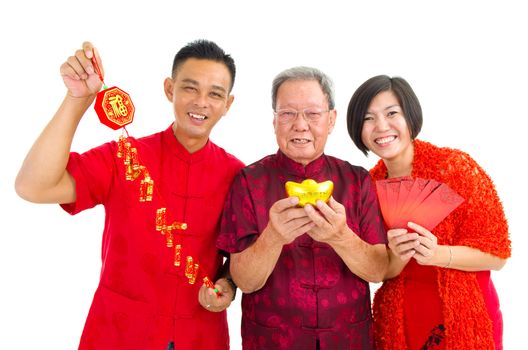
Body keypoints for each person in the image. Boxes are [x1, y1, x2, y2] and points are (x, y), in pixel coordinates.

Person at [15, 40, 244, 350]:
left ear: (228, 104)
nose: (201, 102)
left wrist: (227, 284)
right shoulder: (125, 156)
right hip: (119, 334)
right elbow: (33, 186)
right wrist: (77, 99)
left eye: (215, 94)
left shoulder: (238, 175)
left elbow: (242, 256)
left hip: (201, 336)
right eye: (190, 88)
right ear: (169, 89)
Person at [217, 67, 389, 349]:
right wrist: (273, 237)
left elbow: (378, 270)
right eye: (287, 113)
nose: (300, 125)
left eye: (312, 113)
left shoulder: (357, 181)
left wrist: (340, 237)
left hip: (348, 339)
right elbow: (244, 281)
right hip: (272, 340)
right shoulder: (249, 181)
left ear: (331, 120)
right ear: (274, 121)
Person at [346, 75, 512, 349]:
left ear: (410, 115)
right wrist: (397, 257)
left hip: (462, 319)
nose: (381, 126)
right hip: (399, 322)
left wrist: (438, 255)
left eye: (391, 113)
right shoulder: (368, 189)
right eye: (368, 118)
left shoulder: (455, 168)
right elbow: (379, 271)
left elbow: (497, 255)